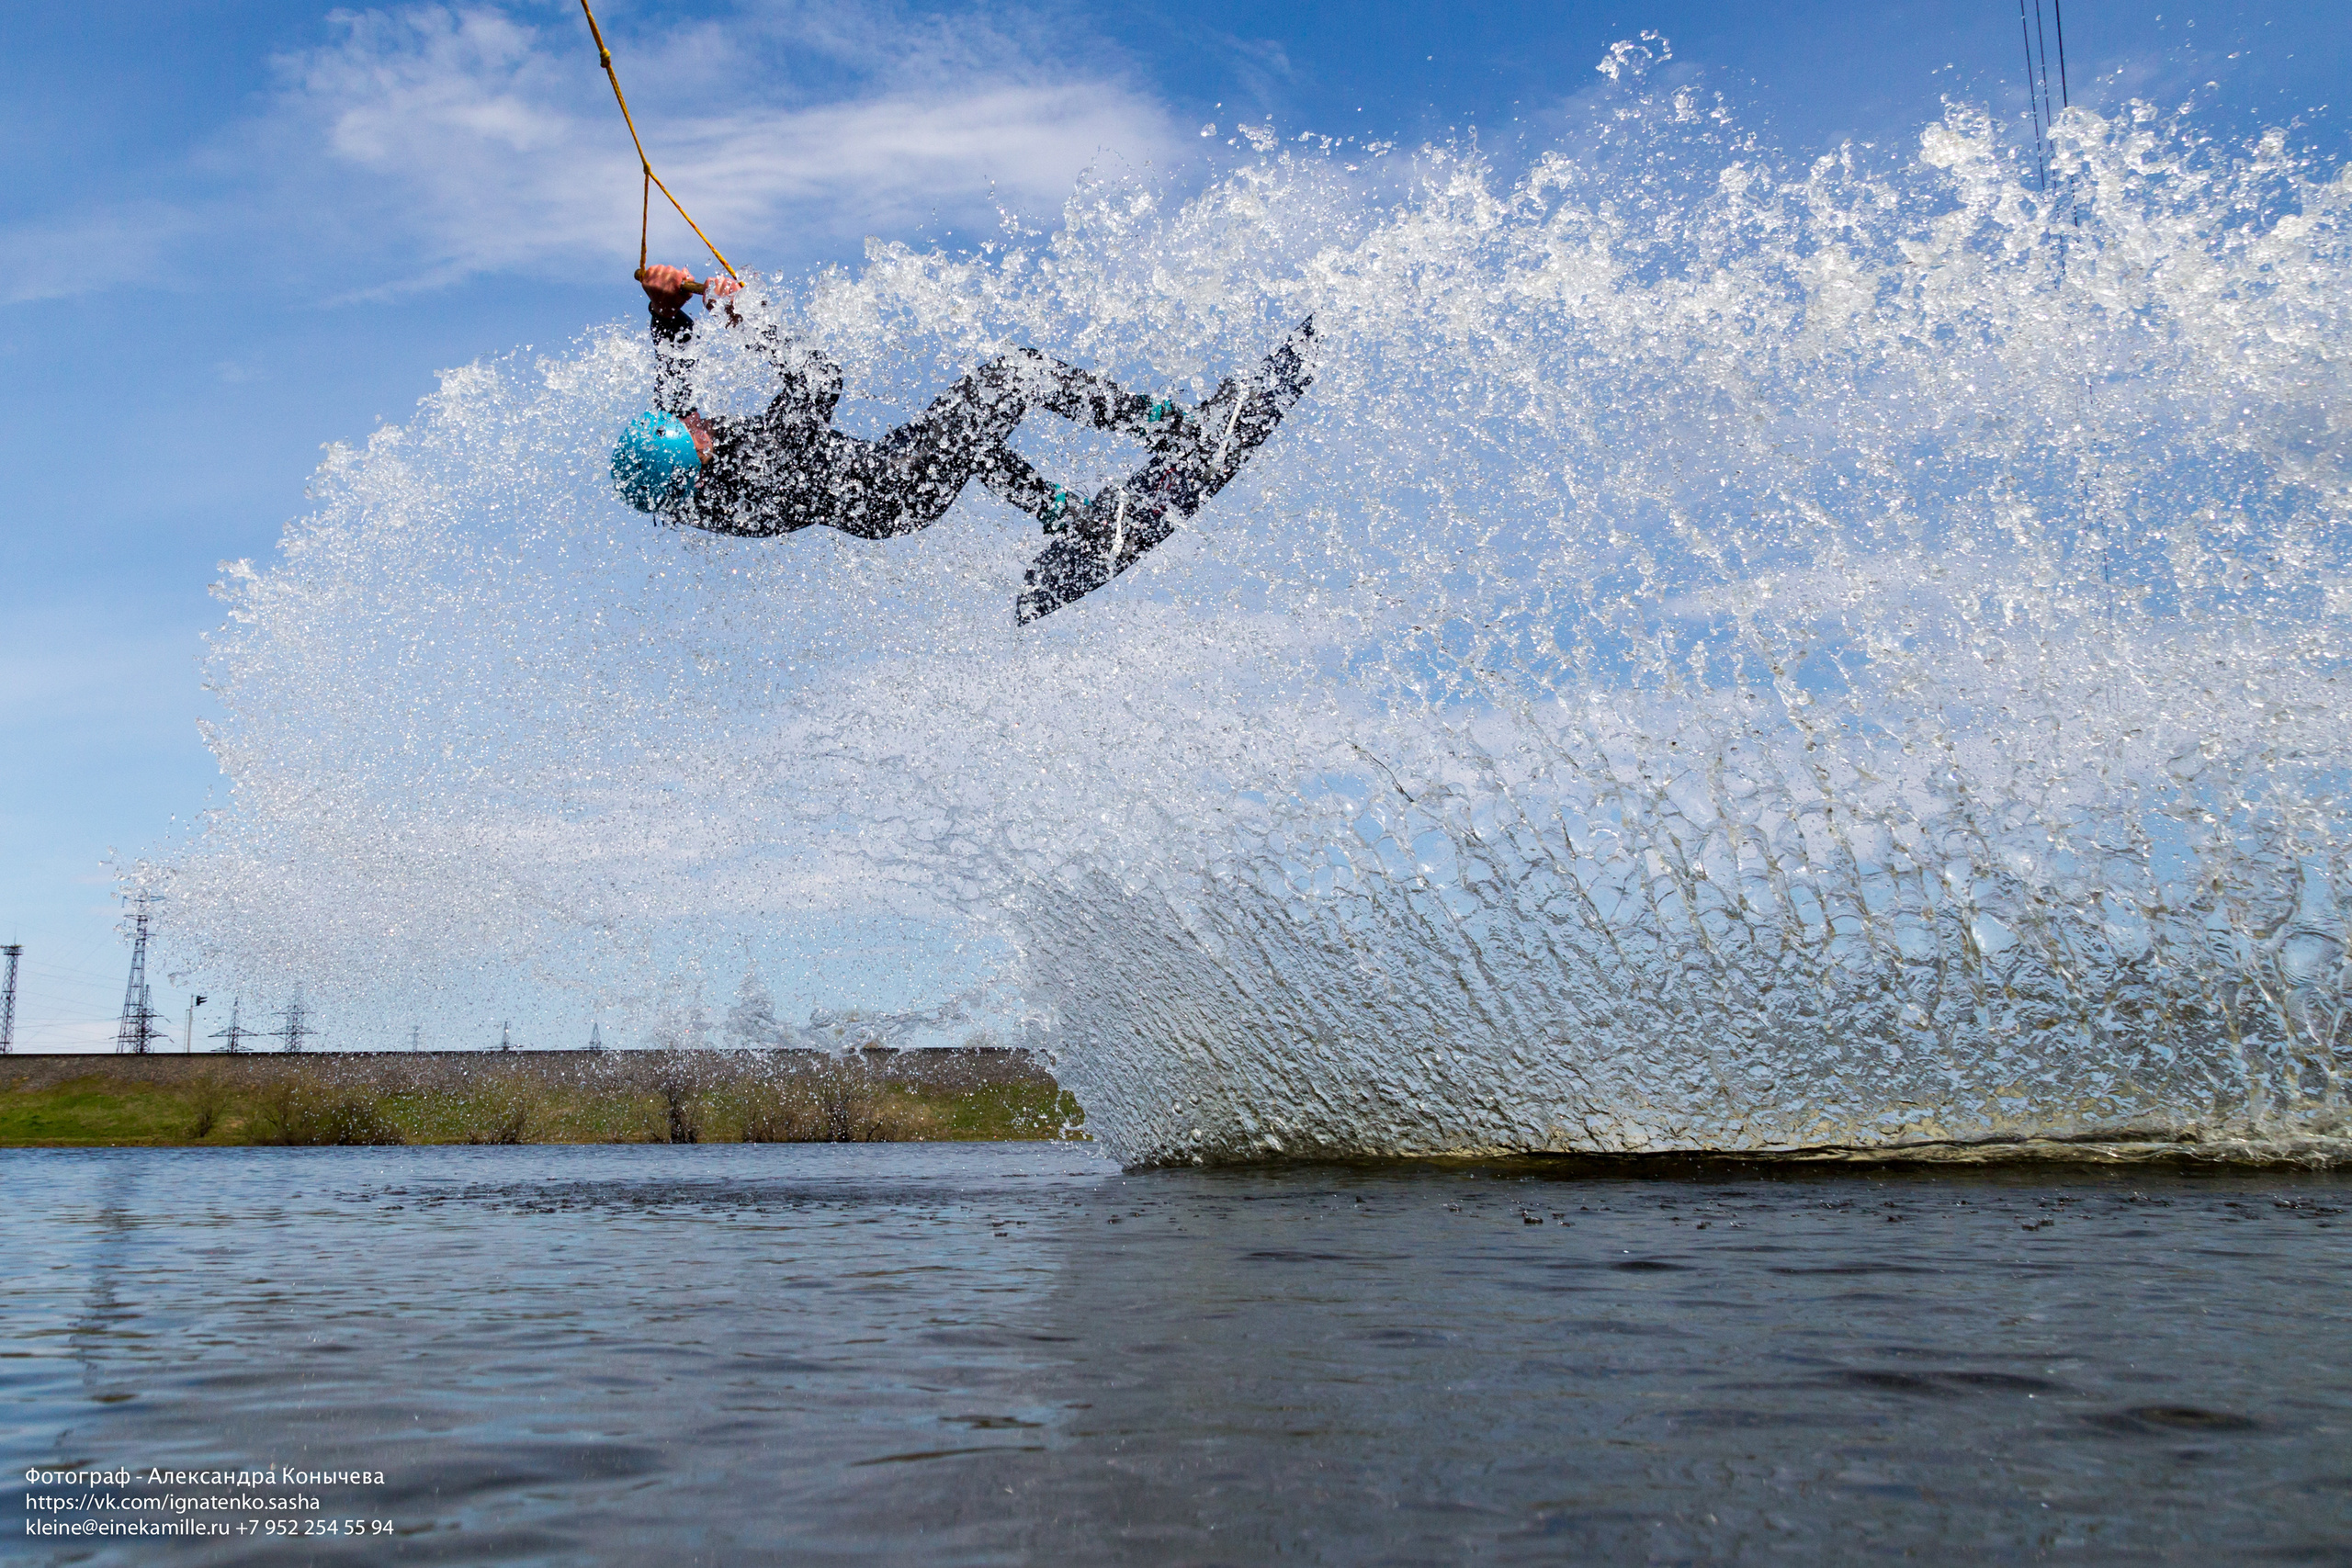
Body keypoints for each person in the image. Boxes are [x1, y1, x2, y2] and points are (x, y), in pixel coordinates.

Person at [612, 264, 1314, 622]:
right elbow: (821, 382)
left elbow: (674, 401)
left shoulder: (682, 481)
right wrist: (751, 317)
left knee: (968, 435)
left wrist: (666, 311)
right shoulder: (755, 467)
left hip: (884, 479)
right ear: (693, 456)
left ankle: (1069, 514)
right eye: (696, 432)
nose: (702, 421)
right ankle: (1180, 430)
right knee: (1018, 374)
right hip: (892, 488)